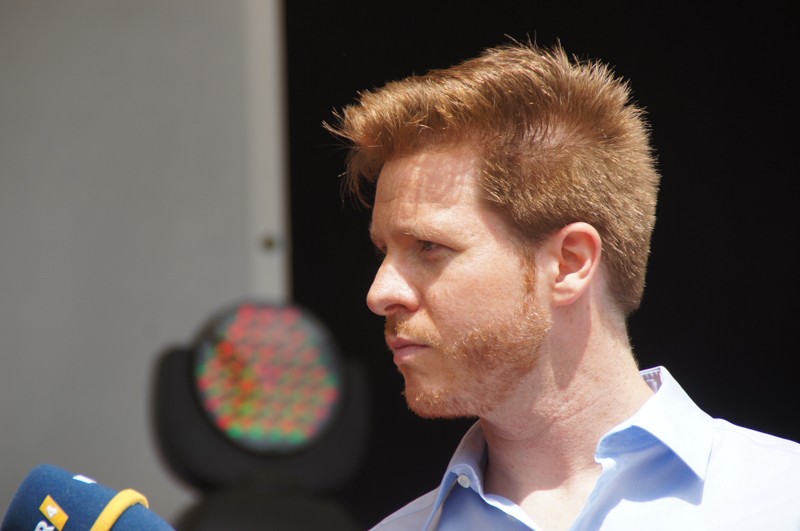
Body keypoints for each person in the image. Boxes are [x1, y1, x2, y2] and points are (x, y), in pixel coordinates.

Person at [325, 40, 800, 530]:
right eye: (384, 252)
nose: (379, 293)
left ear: (570, 263)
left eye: (428, 247)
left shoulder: (782, 501)